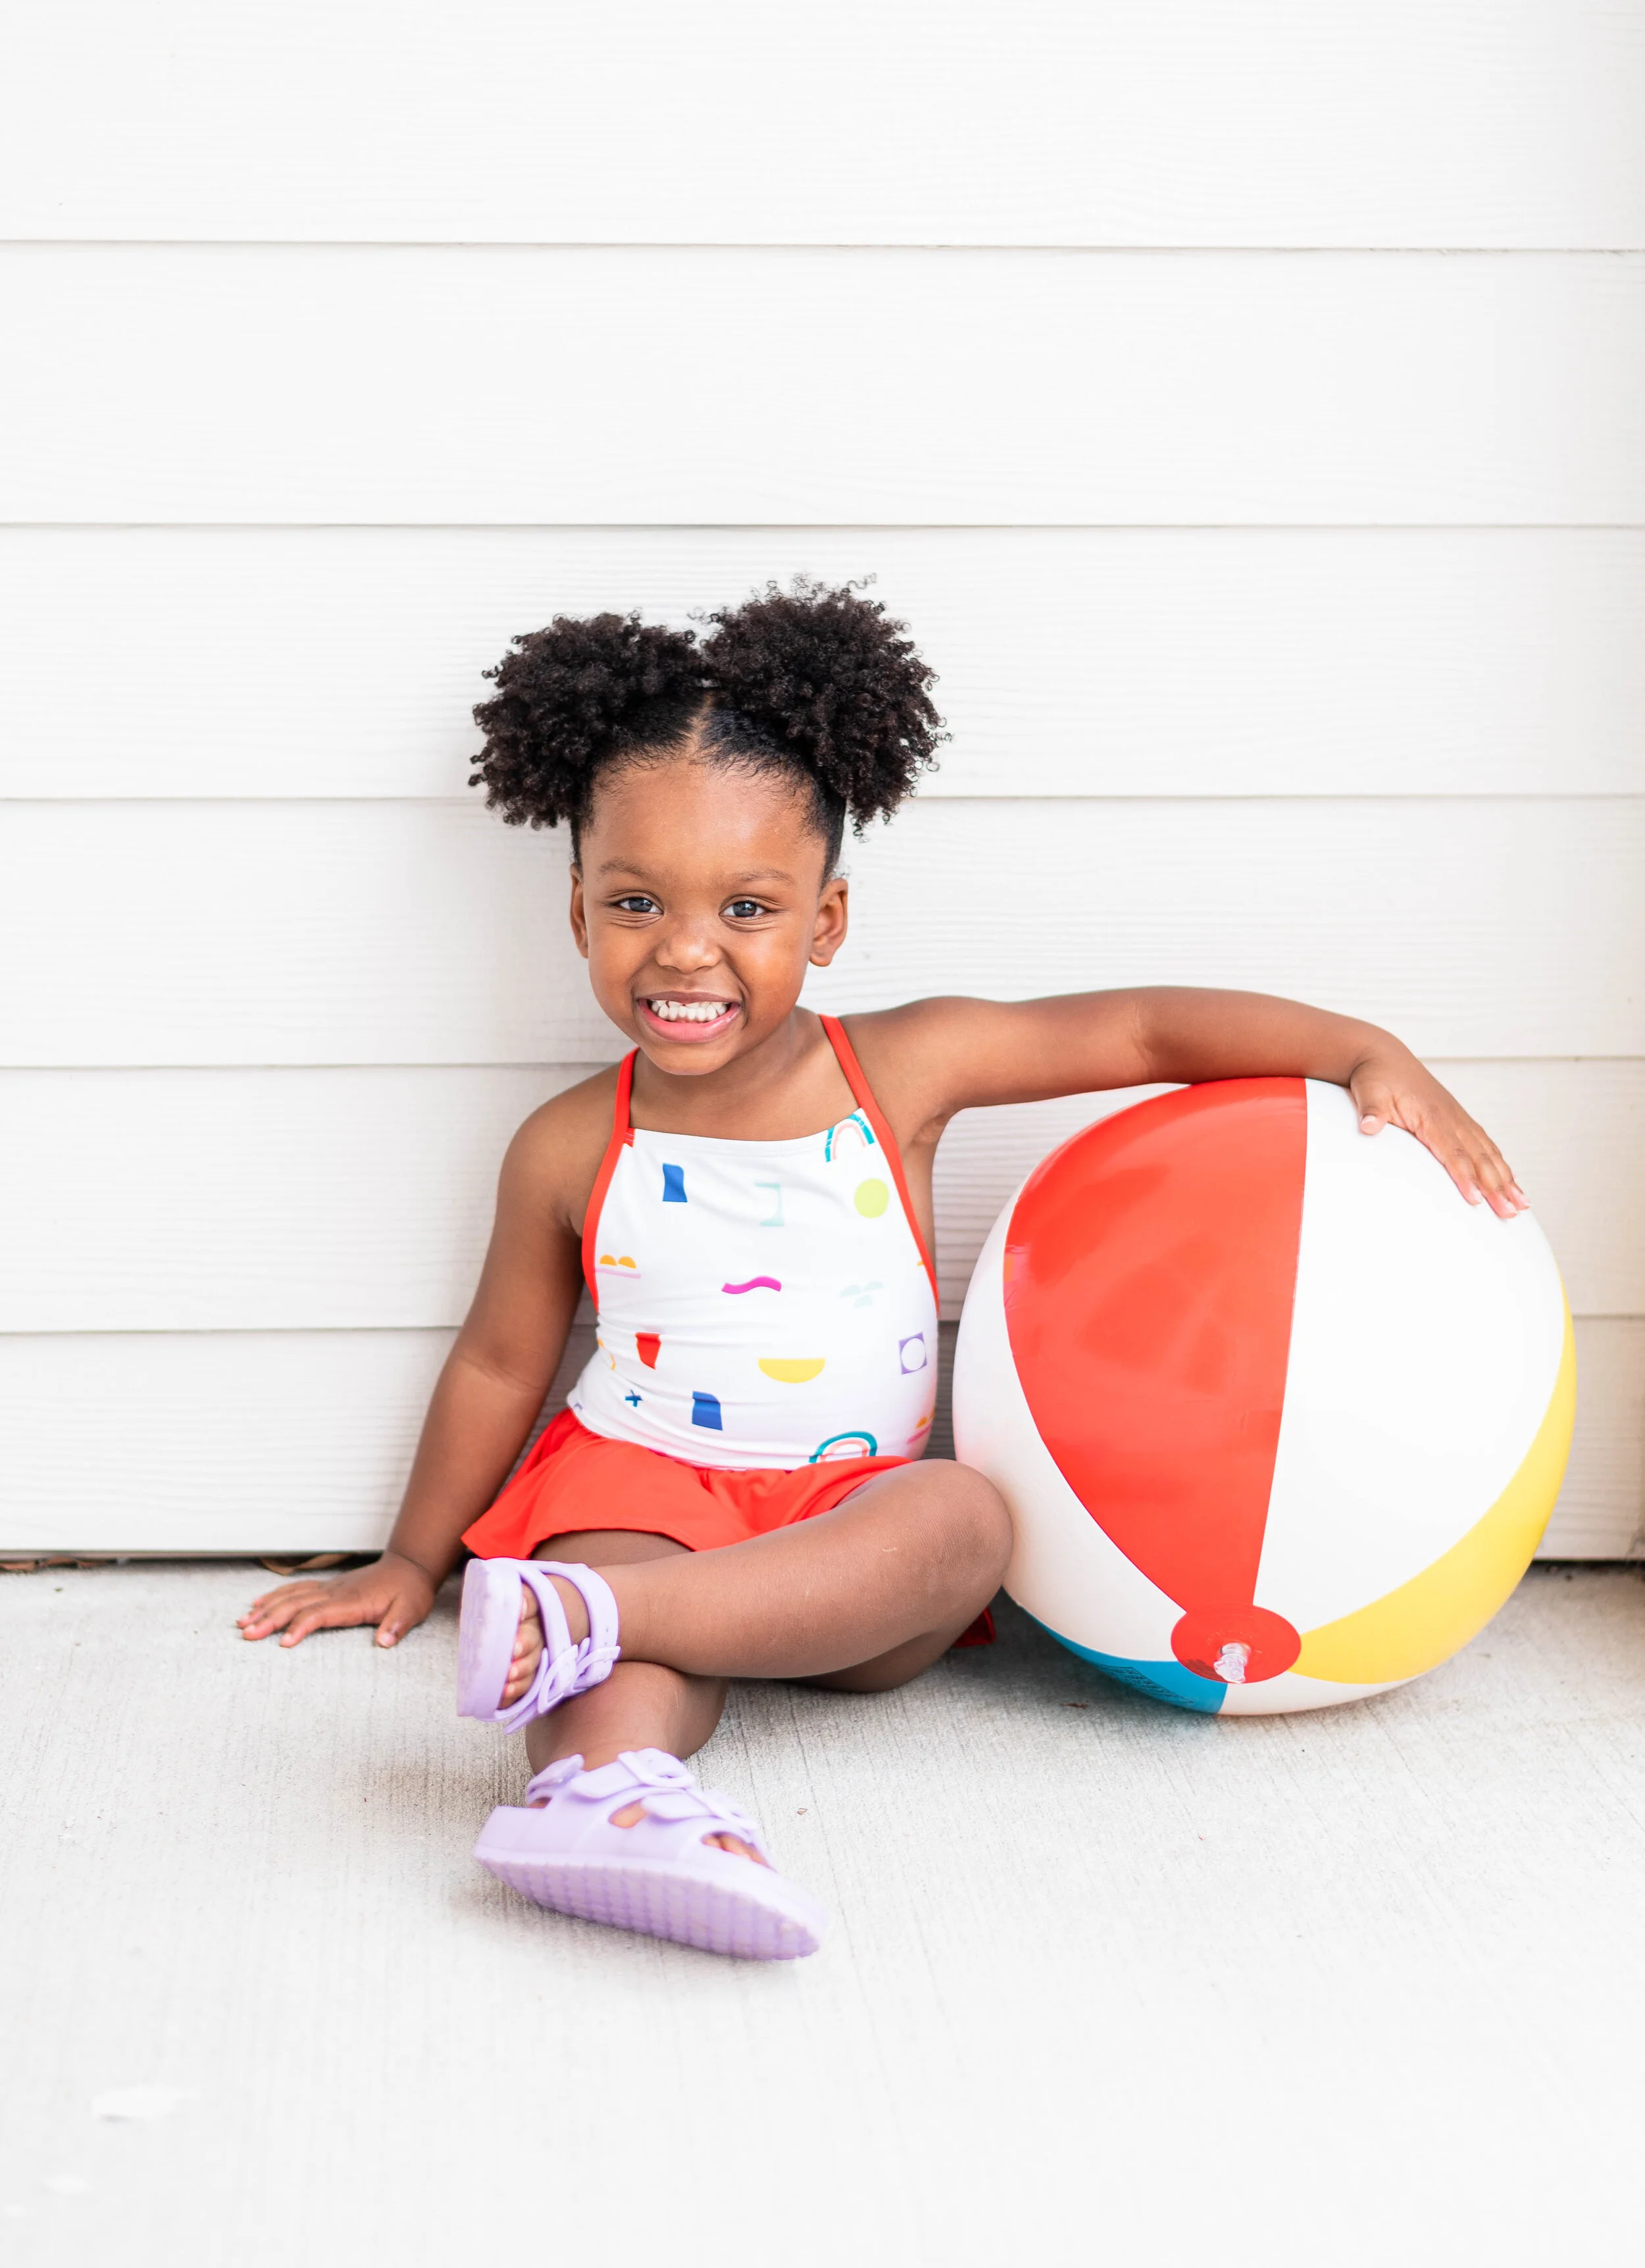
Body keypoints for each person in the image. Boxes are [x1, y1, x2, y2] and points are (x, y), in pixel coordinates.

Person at [238, 579, 1527, 1959]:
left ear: (826, 921)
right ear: (576, 913)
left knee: (962, 1523)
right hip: (640, 1485)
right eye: (634, 902)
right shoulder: (565, 1144)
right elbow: (502, 1361)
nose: (685, 949)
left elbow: (1144, 1031)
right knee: (618, 1602)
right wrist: (415, 1558)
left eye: (745, 905)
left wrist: (1356, 1048)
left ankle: (604, 1620)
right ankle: (603, 1789)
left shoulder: (898, 1071)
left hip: (851, 1525)